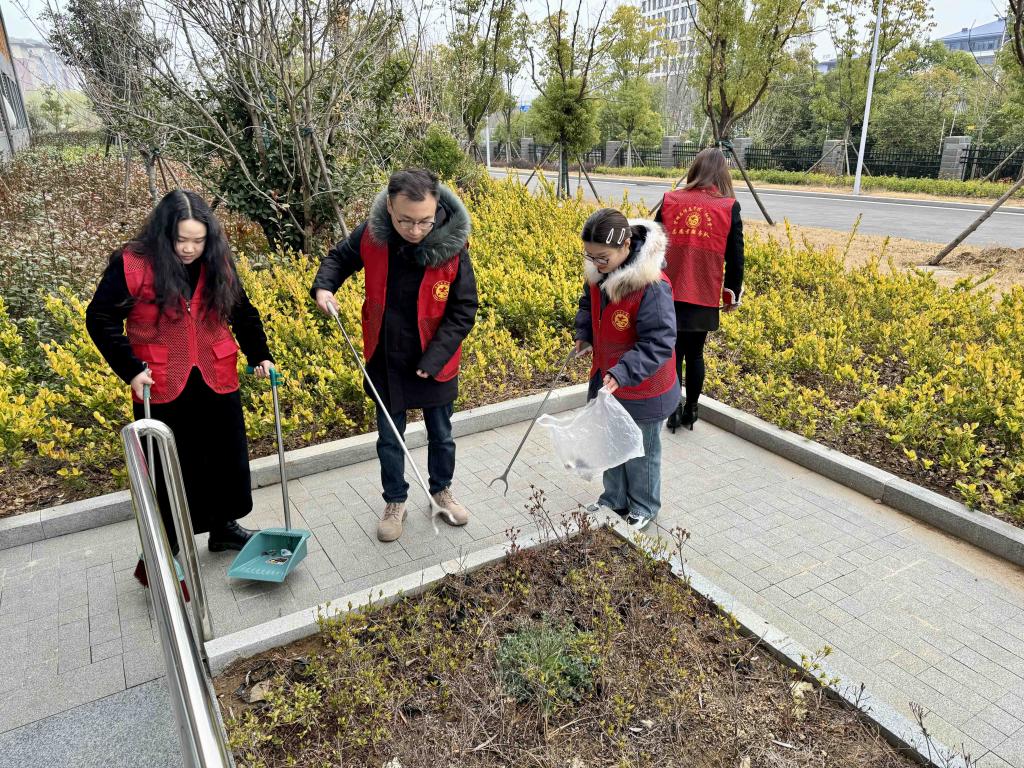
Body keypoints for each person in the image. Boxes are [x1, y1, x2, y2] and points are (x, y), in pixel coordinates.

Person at [86, 190, 274, 587]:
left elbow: (241, 309)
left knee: (222, 458)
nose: (189, 249)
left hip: (214, 372)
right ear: (164, 233)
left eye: (198, 240)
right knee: (169, 464)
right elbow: (100, 318)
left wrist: (260, 354)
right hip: (160, 379)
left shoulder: (217, 259)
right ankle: (166, 546)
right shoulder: (133, 263)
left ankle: (222, 529)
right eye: (181, 239)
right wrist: (130, 369)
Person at [311, 168, 478, 543]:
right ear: (389, 207)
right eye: (405, 221)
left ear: (436, 208)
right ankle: (395, 501)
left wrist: (434, 359)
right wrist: (324, 287)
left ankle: (441, 491)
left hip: (435, 360)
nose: (415, 230)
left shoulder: (453, 247)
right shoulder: (373, 235)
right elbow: (339, 259)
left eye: (424, 221)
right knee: (389, 438)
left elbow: (464, 309)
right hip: (386, 356)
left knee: (442, 434)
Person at [575, 208, 678, 533]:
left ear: (626, 245)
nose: (596, 264)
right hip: (608, 378)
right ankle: (614, 498)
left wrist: (623, 372)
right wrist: (585, 334)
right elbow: (588, 306)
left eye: (602, 257)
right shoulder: (600, 274)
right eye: (590, 256)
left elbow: (659, 341)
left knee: (641, 451)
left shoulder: (652, 287)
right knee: (611, 442)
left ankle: (644, 505)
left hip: (642, 385)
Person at [655, 147, 745, 431]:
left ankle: (672, 409)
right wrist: (731, 293)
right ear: (722, 174)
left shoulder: (670, 200)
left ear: (694, 169)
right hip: (703, 292)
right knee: (695, 354)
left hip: (668, 290)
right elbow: (736, 257)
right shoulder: (728, 207)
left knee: (672, 353)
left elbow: (652, 246)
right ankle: (692, 410)